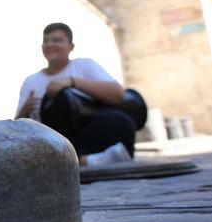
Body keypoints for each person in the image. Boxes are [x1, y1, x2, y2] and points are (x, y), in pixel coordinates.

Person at [15, 22, 135, 166]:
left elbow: (117, 94)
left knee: (121, 122)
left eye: (56, 40)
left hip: (80, 134)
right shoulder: (31, 81)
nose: (49, 44)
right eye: (45, 41)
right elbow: (16, 128)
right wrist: (25, 109)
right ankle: (83, 161)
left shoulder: (84, 66)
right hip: (49, 140)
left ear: (71, 47)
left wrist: (72, 82)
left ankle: (75, 161)